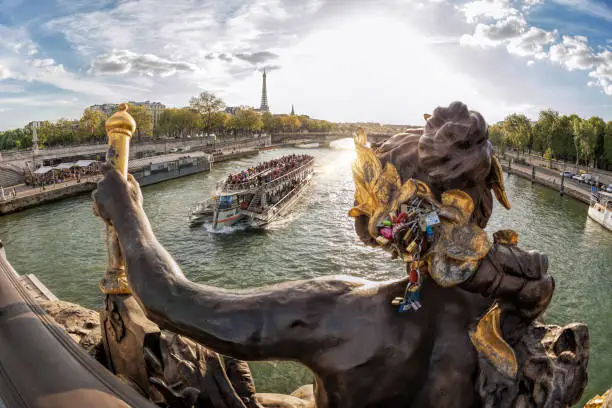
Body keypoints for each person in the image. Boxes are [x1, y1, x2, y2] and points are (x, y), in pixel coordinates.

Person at [92, 102, 581, 408]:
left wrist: (128, 212)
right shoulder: (510, 302)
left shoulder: (342, 310)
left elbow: (171, 299)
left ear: (390, 218)